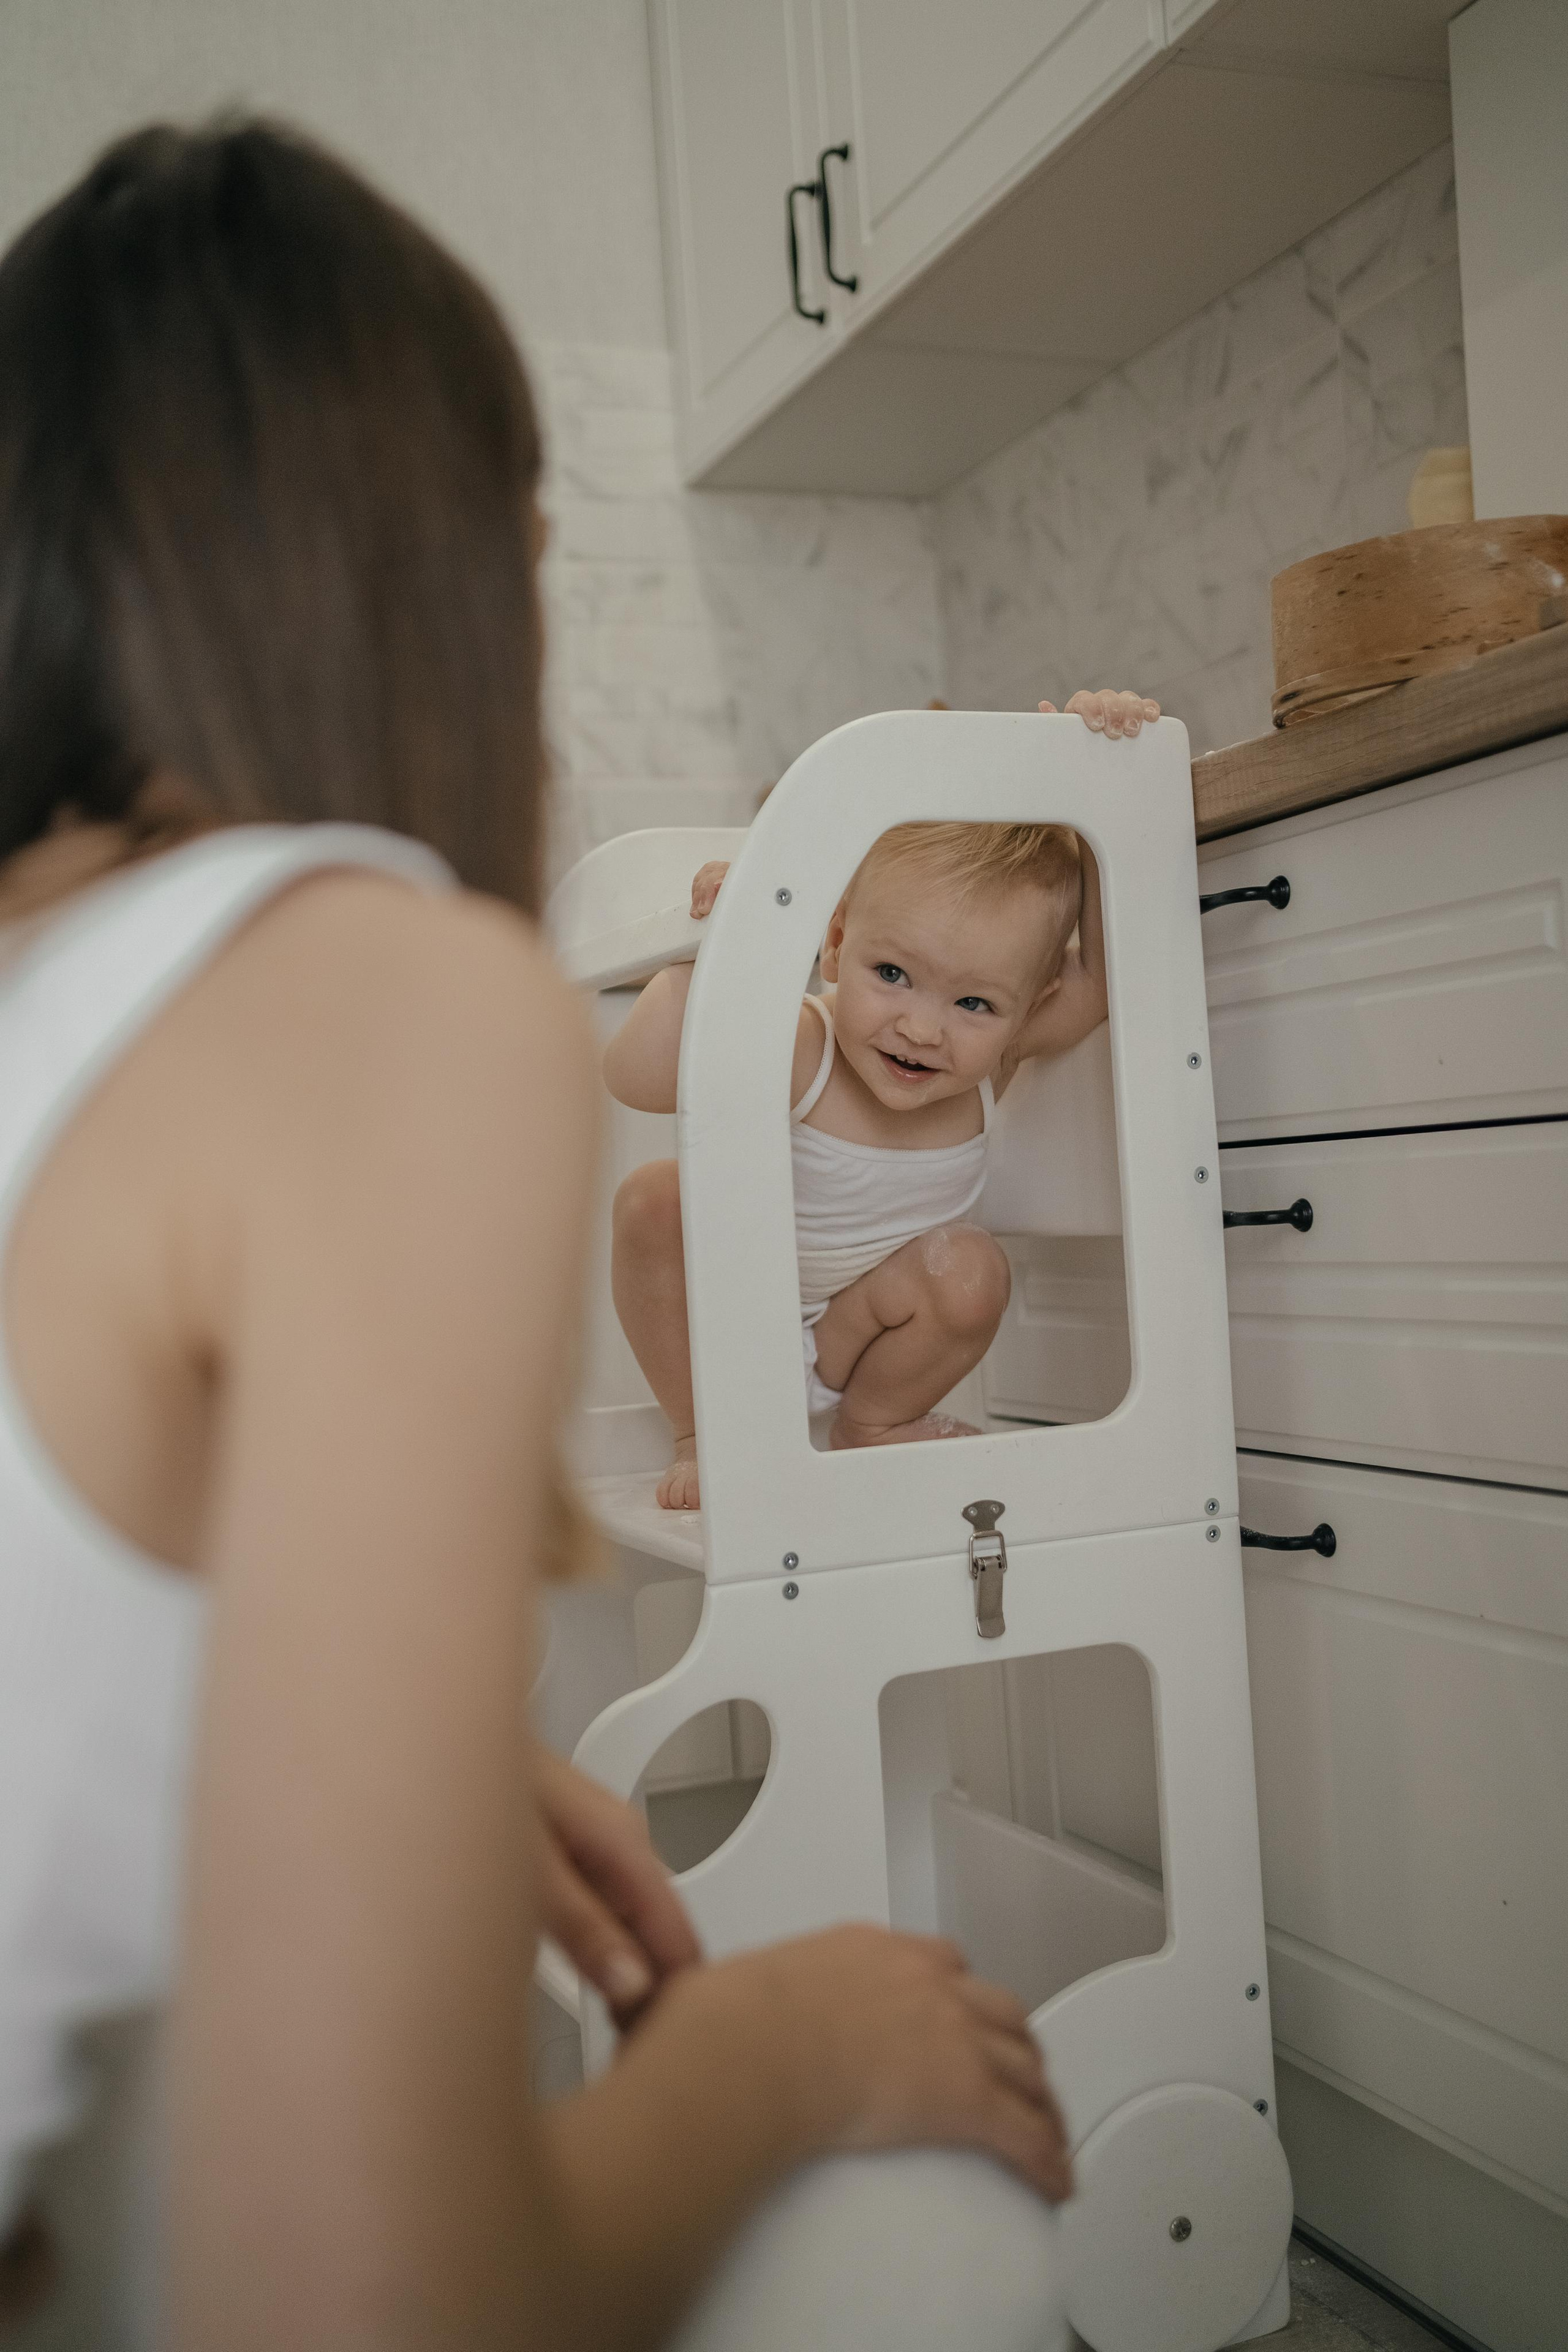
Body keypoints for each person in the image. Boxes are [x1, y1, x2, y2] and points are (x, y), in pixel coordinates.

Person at [0, 119, 1076, 2351]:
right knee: (953, 2223)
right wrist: (792, 2052)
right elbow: (366, 2297)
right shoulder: (376, 983)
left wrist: (408, 1747)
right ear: (442, 581)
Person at [606, 692, 1159, 1511]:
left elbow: (1110, 975)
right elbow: (634, 1075)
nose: (923, 1029)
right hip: (728, 1337)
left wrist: (1087, 793)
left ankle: (873, 1424)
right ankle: (700, 1434)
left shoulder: (993, 1063)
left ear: (1027, 1006)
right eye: (892, 975)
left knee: (971, 1272)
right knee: (653, 1198)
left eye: (974, 1005)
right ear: (832, 943)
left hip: (855, 1342)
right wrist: (717, 952)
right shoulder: (803, 1045)